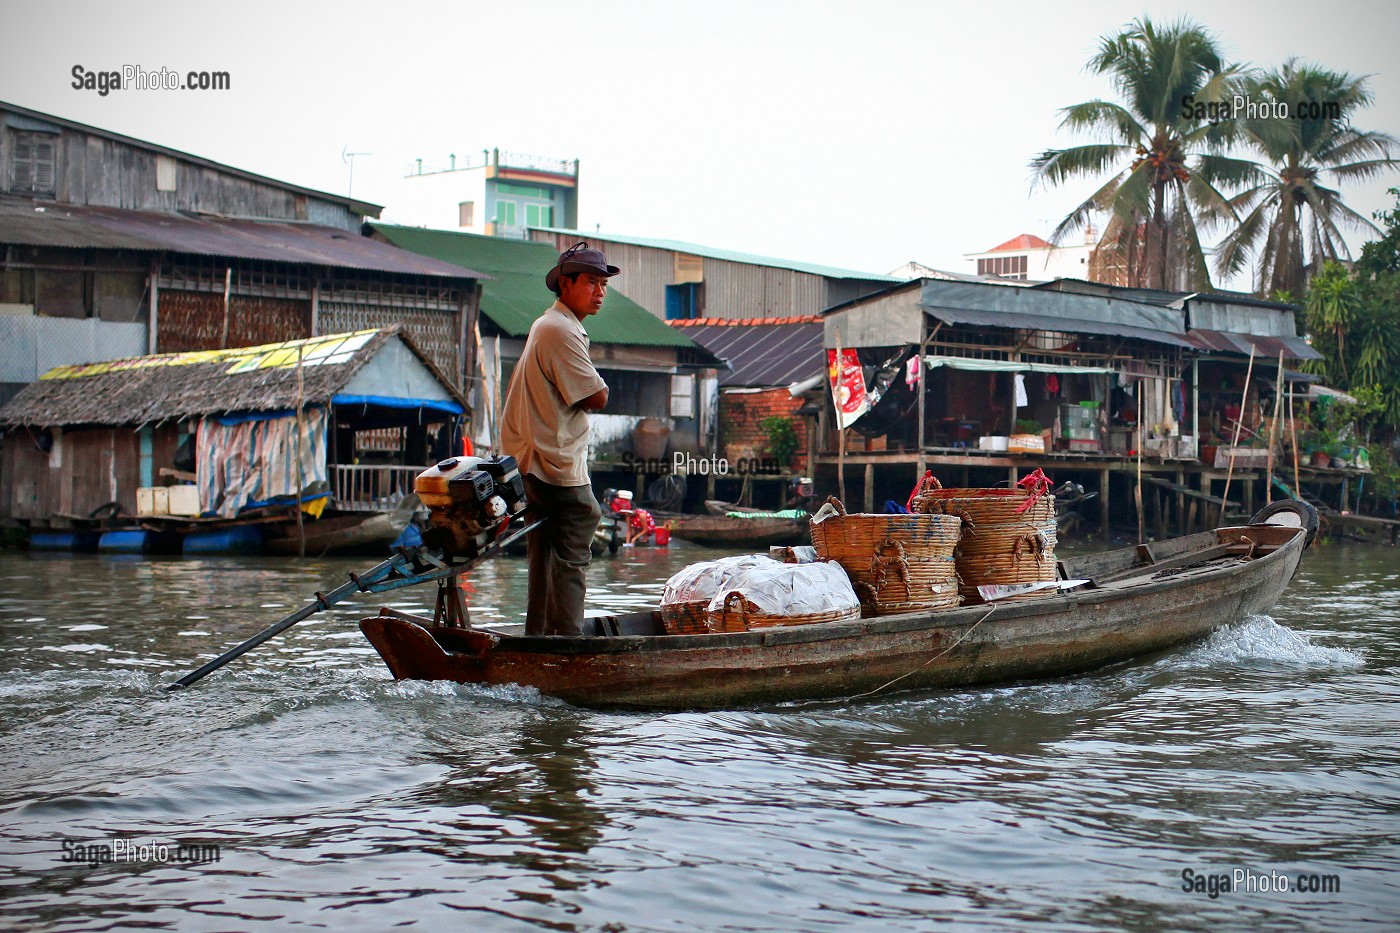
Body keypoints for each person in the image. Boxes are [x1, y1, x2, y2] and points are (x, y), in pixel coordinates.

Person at [500, 242, 618, 635]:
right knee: (582, 521)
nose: (599, 291)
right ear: (565, 284)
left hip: (534, 459)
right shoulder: (561, 329)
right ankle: (566, 641)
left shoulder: (551, 325)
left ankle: (539, 637)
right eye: (591, 282)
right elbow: (595, 395)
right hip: (553, 461)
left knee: (545, 551)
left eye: (603, 284)